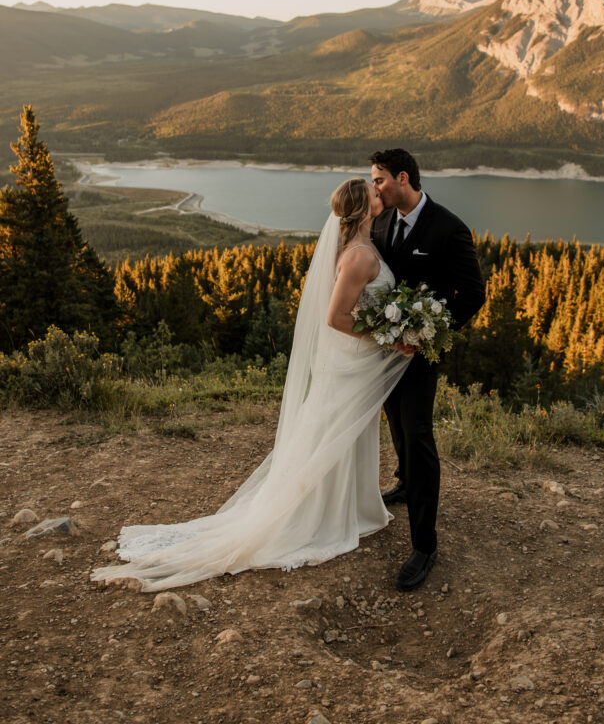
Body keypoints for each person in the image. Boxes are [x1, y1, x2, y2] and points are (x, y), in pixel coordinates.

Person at [91, 178, 412, 593]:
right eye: (371, 190)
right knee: (331, 434)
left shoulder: (364, 247)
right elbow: (335, 318)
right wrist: (389, 336)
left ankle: (351, 508)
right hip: (350, 363)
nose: (378, 191)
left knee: (341, 433)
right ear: (362, 207)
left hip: (351, 363)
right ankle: (320, 516)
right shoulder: (359, 256)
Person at [370, 148, 486, 591]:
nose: (375, 188)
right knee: (394, 421)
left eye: (379, 179)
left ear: (403, 178)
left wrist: (428, 331)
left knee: (417, 435)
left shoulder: (449, 228)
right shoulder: (380, 222)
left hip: (420, 353)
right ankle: (403, 483)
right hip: (382, 352)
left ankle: (424, 545)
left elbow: (472, 294)